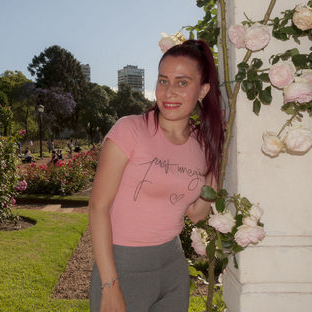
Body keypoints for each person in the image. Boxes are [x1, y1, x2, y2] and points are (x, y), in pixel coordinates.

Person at [89, 39, 224, 312]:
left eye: (182, 82)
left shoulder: (201, 144)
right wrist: (110, 285)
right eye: (163, 81)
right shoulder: (130, 130)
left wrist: (218, 159)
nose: (169, 92)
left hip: (172, 266)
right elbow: (98, 207)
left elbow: (196, 213)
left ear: (203, 90)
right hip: (123, 268)